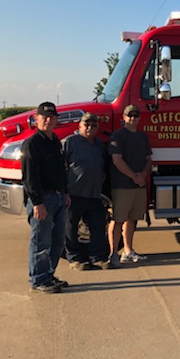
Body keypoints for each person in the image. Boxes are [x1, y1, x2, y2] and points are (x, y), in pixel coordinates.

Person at [22, 101, 70, 293]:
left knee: (57, 241)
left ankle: (49, 274)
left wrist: (65, 193)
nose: (48, 120)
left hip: (59, 197)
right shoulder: (32, 144)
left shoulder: (55, 142)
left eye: (52, 117)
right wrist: (37, 202)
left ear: (56, 119)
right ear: (36, 119)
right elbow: (29, 177)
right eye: (44, 117)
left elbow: (62, 170)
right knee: (41, 241)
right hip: (43, 200)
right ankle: (39, 278)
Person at [62, 112, 109, 270]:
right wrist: (64, 191)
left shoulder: (99, 145)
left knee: (98, 226)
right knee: (70, 228)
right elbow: (61, 167)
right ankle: (75, 259)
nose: (90, 127)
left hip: (94, 194)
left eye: (93, 125)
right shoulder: (70, 142)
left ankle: (98, 258)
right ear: (79, 126)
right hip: (73, 193)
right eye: (86, 124)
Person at [107, 104, 152, 264]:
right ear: (124, 118)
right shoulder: (117, 136)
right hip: (122, 185)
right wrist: (134, 176)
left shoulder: (142, 137)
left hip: (138, 185)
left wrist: (144, 174)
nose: (132, 118)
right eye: (129, 115)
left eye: (135, 115)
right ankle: (113, 254)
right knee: (118, 219)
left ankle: (128, 251)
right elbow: (117, 160)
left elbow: (148, 159)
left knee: (132, 219)